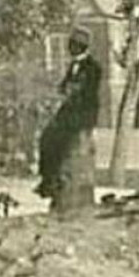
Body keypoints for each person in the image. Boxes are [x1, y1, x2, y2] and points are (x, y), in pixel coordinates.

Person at [36, 27, 100, 198]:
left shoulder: (93, 68)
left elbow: (85, 93)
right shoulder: (73, 66)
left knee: (62, 140)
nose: (69, 48)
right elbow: (64, 88)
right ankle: (47, 178)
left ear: (81, 47)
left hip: (82, 114)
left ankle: (54, 180)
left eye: (73, 45)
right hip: (69, 112)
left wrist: (69, 93)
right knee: (46, 137)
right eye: (70, 45)